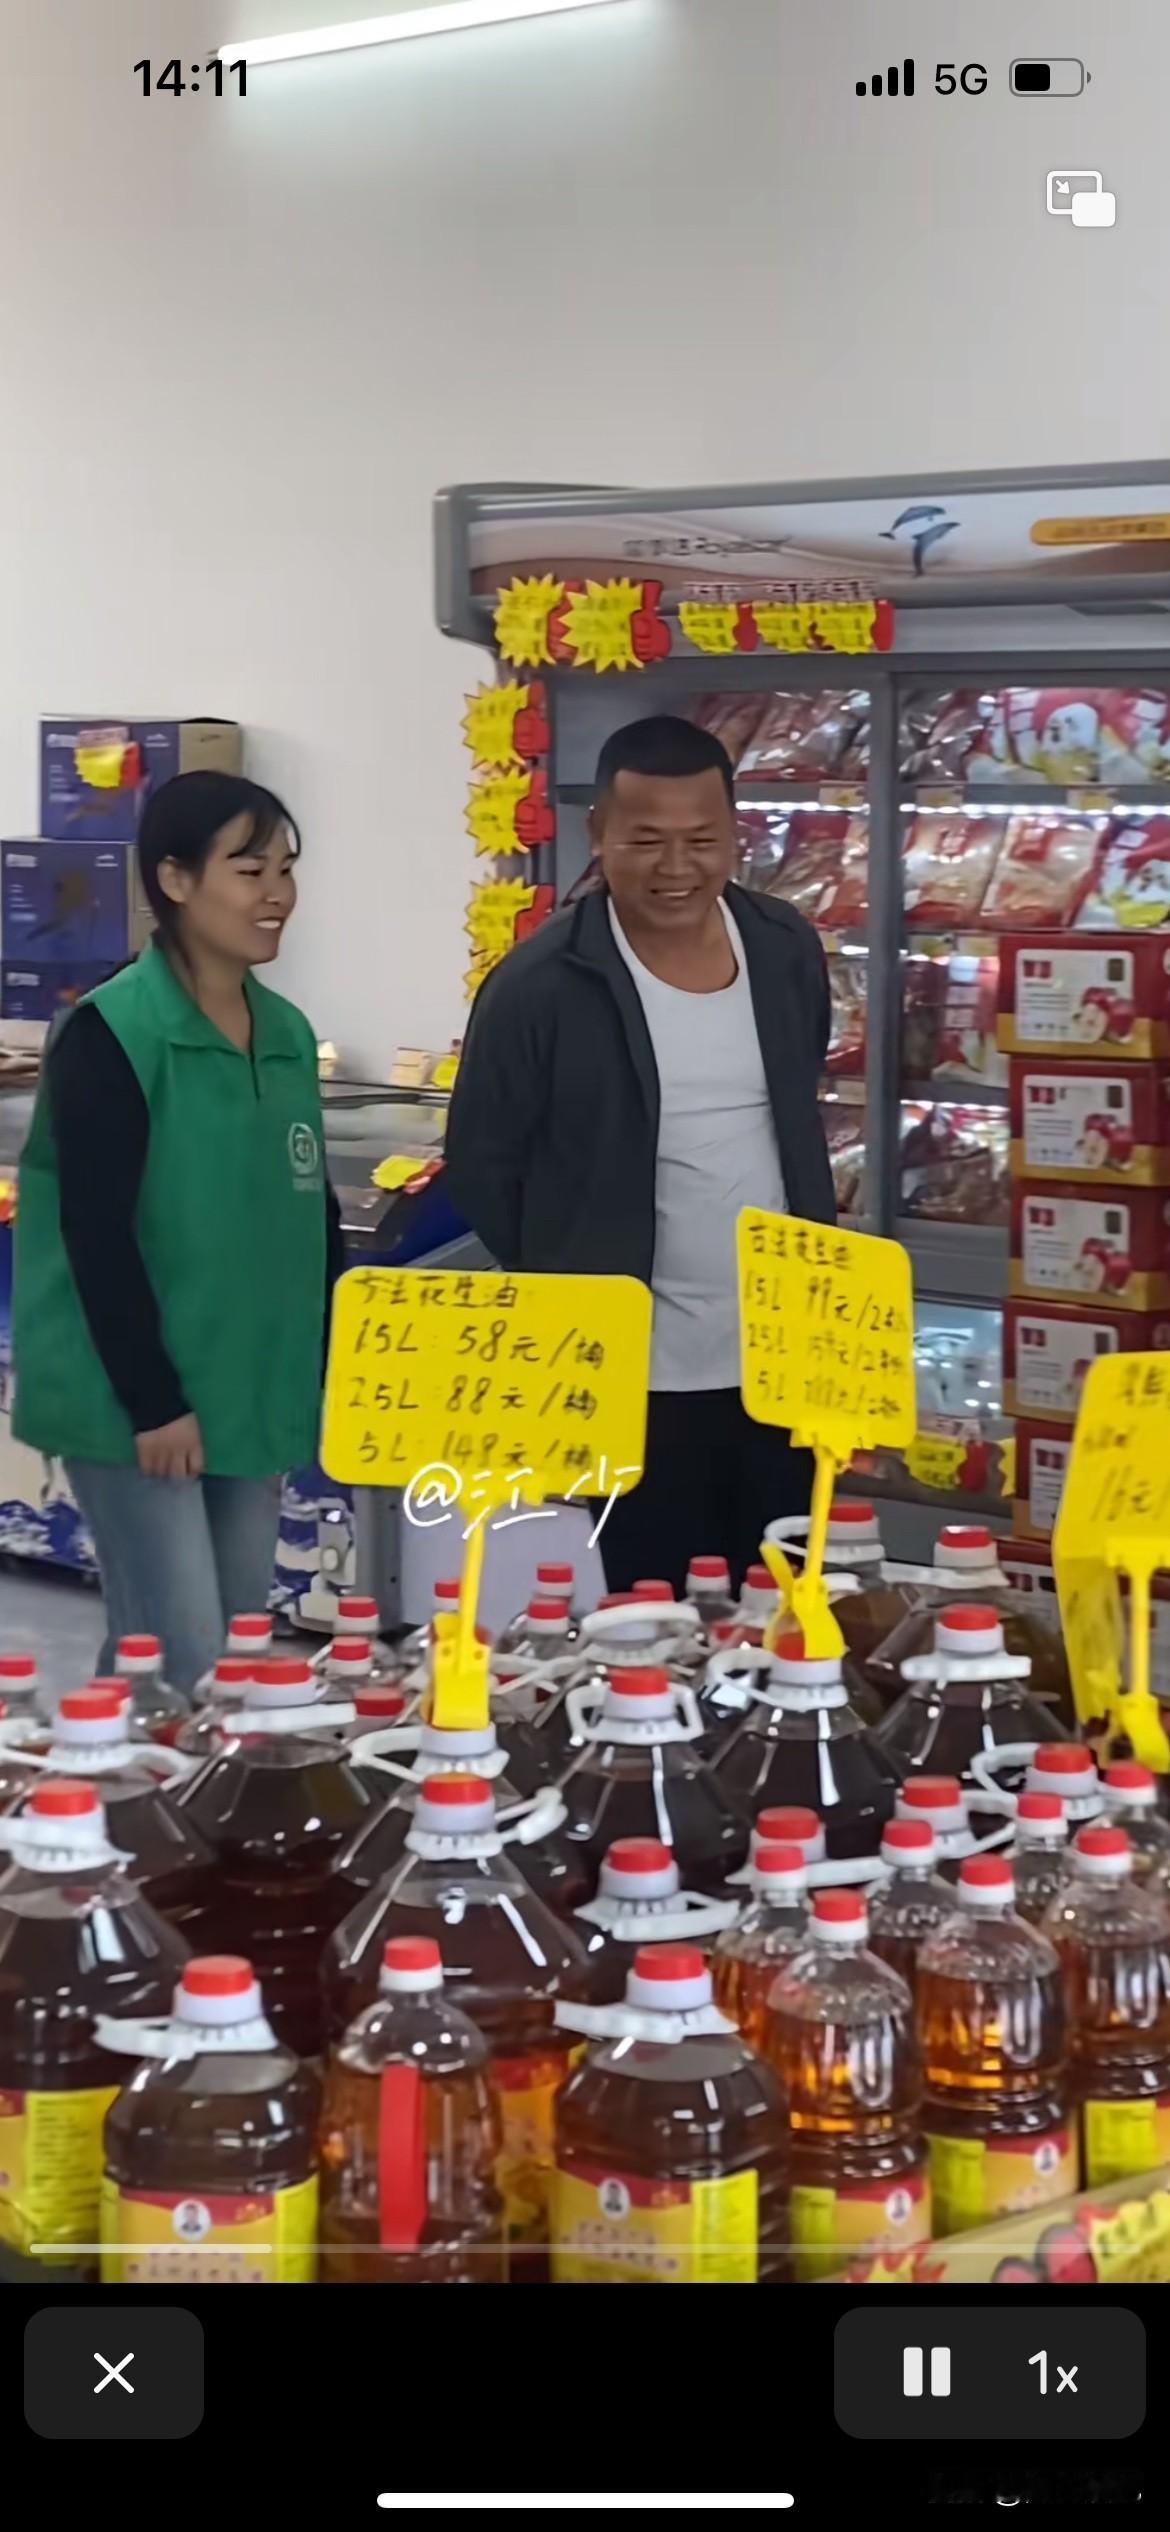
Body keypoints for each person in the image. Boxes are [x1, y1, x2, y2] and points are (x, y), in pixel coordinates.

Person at [445, 714, 835, 1593]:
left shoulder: (782, 947)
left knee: (784, 1610)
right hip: (630, 1380)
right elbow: (481, 1164)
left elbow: (798, 1096)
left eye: (702, 840)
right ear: (599, 834)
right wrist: (573, 1265)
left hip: (782, 1365)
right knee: (650, 1615)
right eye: (647, 840)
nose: (676, 867)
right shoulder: (540, 985)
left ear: (736, 834)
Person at [13, 771, 342, 1695]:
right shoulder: (115, 1032)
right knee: (188, 1654)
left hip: (247, 1389)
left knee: (221, 1652)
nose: (276, 894)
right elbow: (96, 1231)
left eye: (286, 869)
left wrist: (323, 1371)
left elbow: (311, 1210)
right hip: (134, 1401)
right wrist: (153, 1403)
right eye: (249, 870)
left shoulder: (285, 1033)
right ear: (176, 879)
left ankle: (121, 1772)